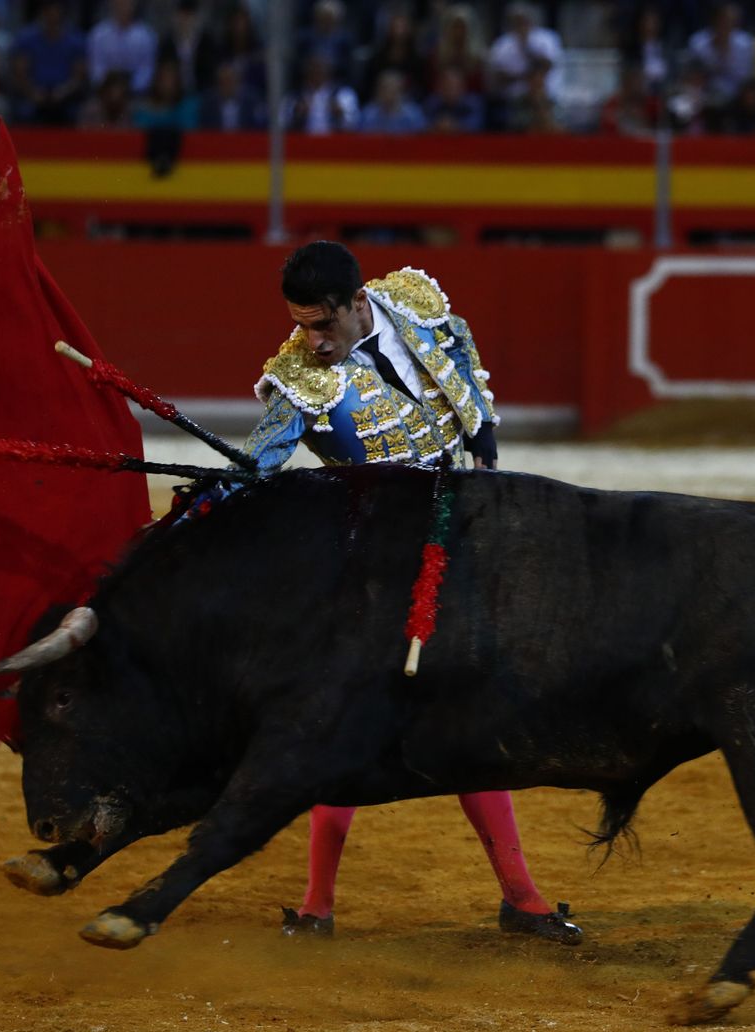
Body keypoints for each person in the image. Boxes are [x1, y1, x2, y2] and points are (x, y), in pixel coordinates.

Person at [239, 240, 581, 946]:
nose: (312, 340)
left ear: (358, 303)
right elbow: (262, 458)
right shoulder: (300, 378)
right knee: (357, 724)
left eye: (323, 324)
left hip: (460, 547)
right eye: (302, 325)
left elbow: (462, 361)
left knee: (468, 721)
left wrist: (484, 435)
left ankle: (518, 895)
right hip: (375, 571)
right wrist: (237, 477)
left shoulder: (416, 308)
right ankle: (315, 905)